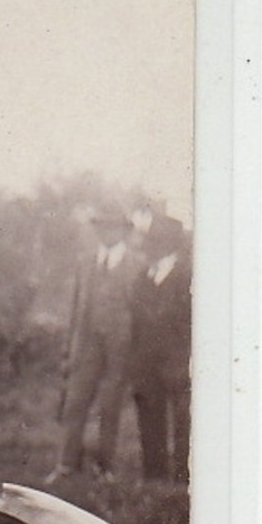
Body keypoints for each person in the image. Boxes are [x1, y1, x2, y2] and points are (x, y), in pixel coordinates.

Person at [49, 203, 145, 482]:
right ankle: (66, 464)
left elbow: (140, 313)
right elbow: (77, 308)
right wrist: (71, 347)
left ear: (124, 230)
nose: (107, 231)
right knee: (75, 401)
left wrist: (134, 349)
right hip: (87, 344)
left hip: (120, 346)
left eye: (113, 226)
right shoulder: (86, 261)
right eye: (102, 226)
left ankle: (105, 468)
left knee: (110, 405)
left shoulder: (136, 264)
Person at [129, 213, 193, 481]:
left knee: (183, 423)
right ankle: (154, 473)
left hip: (177, 361)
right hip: (146, 362)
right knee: (150, 418)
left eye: (155, 241)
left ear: (169, 244)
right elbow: (136, 319)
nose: (148, 246)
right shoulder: (144, 276)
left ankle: (182, 475)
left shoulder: (187, 276)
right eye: (149, 240)